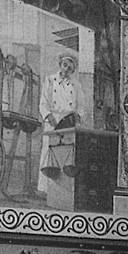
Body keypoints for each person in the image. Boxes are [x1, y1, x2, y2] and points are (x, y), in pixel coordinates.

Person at [38, 52, 80, 193]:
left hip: (68, 124)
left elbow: (81, 106)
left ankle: (63, 194)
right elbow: (43, 104)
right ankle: (46, 192)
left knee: (66, 155)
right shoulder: (50, 80)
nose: (66, 70)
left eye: (70, 68)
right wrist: (52, 120)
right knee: (49, 155)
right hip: (52, 122)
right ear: (60, 64)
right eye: (65, 65)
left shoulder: (76, 85)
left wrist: (77, 119)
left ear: (73, 70)